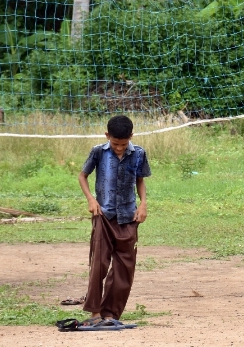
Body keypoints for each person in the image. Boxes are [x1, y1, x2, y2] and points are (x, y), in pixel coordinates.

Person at [77, 115, 151, 329]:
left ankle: (111, 313)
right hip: (104, 215)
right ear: (107, 136)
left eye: (123, 144)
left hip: (129, 216)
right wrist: (91, 199)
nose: (119, 148)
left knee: (124, 266)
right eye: (115, 143)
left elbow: (140, 180)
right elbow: (82, 176)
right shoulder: (98, 152)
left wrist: (143, 204)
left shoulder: (138, 154)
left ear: (131, 137)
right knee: (99, 263)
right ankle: (96, 312)